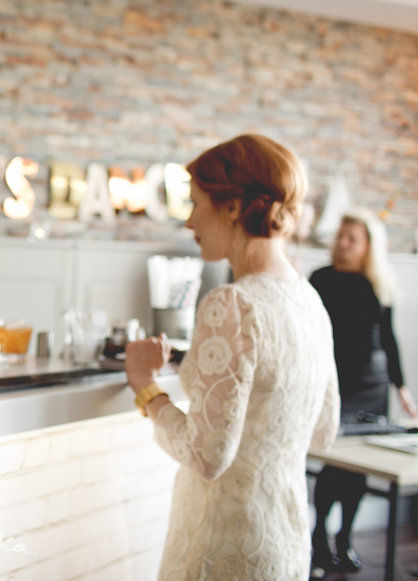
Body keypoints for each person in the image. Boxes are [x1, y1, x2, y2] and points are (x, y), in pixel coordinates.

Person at [125, 134, 340, 580]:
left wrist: (146, 386)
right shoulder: (310, 301)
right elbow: (323, 431)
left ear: (233, 206)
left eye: (195, 202)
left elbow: (207, 455)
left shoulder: (232, 304)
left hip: (222, 547)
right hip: (285, 539)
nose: (188, 221)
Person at [308, 209, 416, 573]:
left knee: (358, 472)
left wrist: (402, 388)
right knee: (335, 461)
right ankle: (319, 536)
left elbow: (389, 340)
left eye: (351, 238)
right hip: (333, 382)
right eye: (340, 236)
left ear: (369, 245)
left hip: (372, 385)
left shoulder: (379, 284)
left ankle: (345, 539)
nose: (342, 243)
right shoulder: (319, 278)